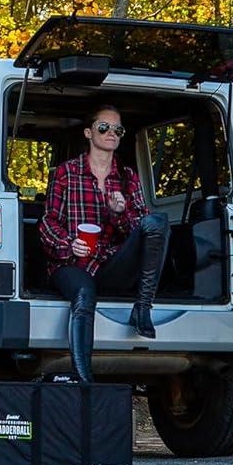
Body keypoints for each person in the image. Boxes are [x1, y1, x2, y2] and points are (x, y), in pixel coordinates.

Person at [40, 104, 171, 380]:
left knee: (157, 223)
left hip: (111, 264)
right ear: (89, 132)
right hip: (72, 263)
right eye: (104, 127)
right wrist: (69, 243)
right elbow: (48, 222)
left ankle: (143, 308)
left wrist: (119, 213)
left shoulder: (127, 176)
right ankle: (84, 381)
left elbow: (141, 230)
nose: (111, 133)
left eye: (117, 129)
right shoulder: (66, 173)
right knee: (84, 294)